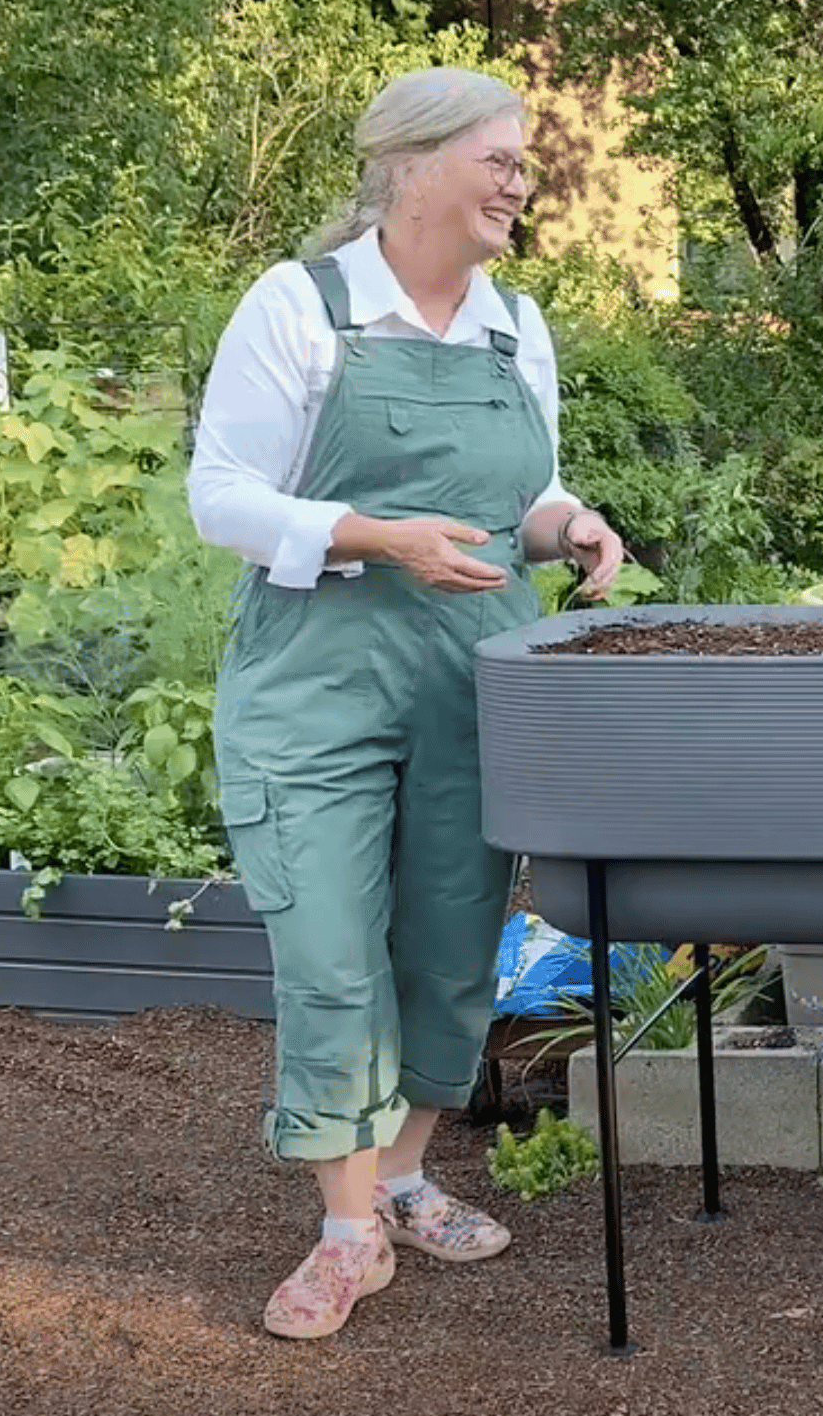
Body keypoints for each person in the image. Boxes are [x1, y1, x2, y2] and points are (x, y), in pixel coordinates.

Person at [186, 65, 627, 1341]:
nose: (517, 182)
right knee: (328, 951)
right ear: (412, 164)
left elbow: (523, 495)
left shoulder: (512, 326)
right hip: (315, 681)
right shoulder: (301, 307)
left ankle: (405, 1174)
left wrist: (571, 523)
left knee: (448, 943)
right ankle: (344, 1230)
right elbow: (223, 495)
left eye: (521, 161)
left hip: (470, 679)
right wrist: (377, 535)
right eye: (496, 157)